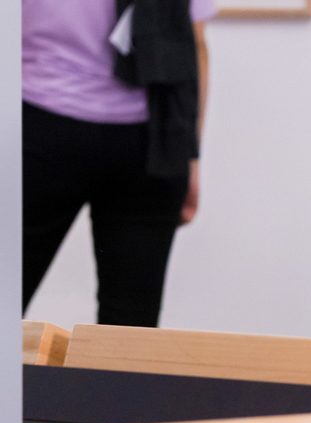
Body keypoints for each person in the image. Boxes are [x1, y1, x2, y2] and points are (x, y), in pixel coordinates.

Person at [22, 0, 216, 327]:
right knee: (128, 334)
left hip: (38, 126)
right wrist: (190, 155)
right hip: (151, 141)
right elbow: (193, 42)